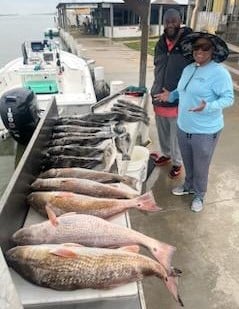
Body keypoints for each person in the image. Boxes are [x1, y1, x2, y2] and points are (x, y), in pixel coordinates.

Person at [157, 31, 234, 212]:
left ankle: (199, 195)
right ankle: (188, 186)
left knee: (201, 166)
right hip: (184, 127)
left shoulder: (219, 73)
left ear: (212, 50)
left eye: (205, 48)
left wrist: (207, 106)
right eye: (196, 47)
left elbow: (229, 99)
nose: (199, 51)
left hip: (205, 131)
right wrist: (171, 95)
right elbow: (181, 90)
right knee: (188, 162)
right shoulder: (189, 68)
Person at [151, 8, 193, 179]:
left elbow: (193, 71)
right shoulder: (160, 43)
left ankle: (177, 162)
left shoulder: (188, 42)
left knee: (176, 134)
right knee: (162, 131)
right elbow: (157, 65)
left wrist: (178, 92)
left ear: (180, 21)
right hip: (158, 97)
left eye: (173, 21)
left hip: (176, 99)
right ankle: (166, 154)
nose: (170, 24)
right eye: (167, 21)